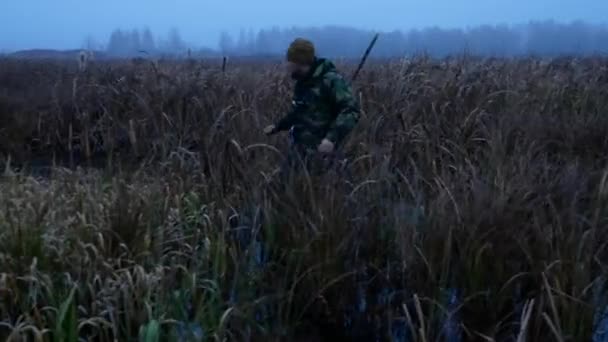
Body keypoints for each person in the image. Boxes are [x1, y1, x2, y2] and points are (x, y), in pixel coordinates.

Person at [264, 38, 360, 180]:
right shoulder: (303, 82)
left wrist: (331, 139)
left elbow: (351, 111)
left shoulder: (331, 80)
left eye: (289, 61)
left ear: (299, 62)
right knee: (281, 186)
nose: (287, 65)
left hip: (323, 154)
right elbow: (300, 112)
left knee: (326, 193)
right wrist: (278, 126)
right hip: (299, 151)